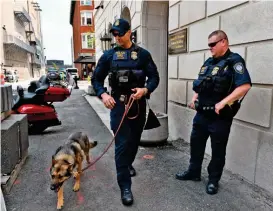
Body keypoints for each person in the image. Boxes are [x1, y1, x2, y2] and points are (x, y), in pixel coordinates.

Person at [91, 18, 159, 206]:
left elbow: (154, 77)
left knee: (134, 141)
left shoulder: (143, 55)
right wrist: (104, 95)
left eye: (120, 33)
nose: (117, 37)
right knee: (121, 145)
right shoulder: (108, 56)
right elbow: (95, 80)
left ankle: (128, 163)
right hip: (119, 106)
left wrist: (145, 90)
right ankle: (125, 187)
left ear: (130, 32)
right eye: (114, 34)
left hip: (138, 105)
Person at [175, 30, 252, 195]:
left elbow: (245, 86)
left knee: (218, 151)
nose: (210, 48)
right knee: (196, 145)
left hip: (220, 117)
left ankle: (213, 180)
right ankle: (194, 172)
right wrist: (194, 98)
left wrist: (223, 103)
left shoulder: (234, 61)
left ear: (224, 42)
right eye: (209, 44)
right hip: (202, 114)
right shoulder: (209, 62)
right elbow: (202, 83)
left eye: (213, 44)